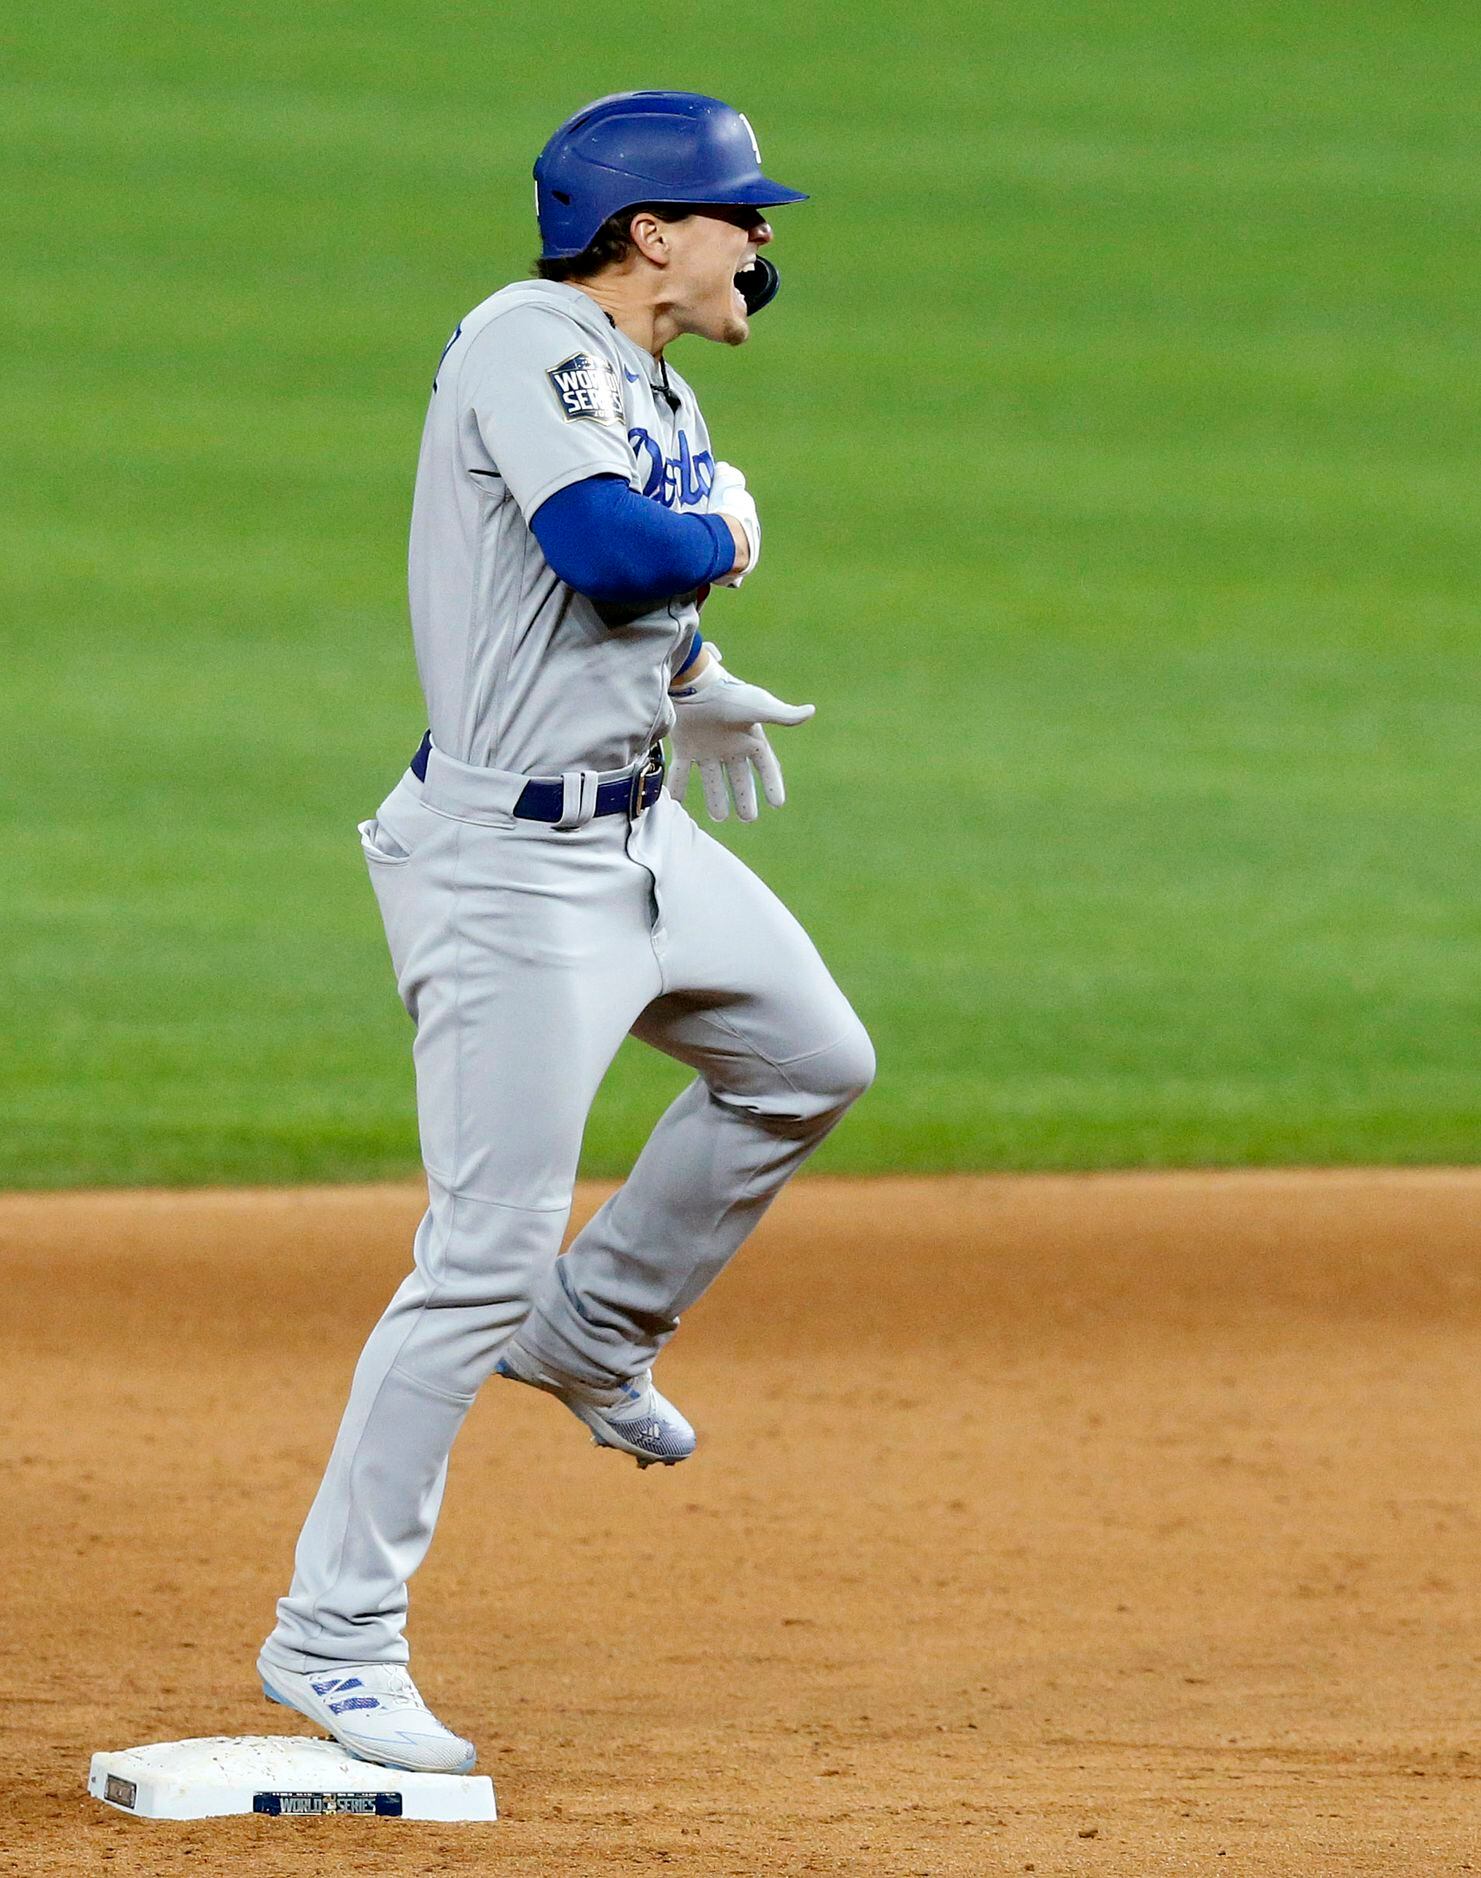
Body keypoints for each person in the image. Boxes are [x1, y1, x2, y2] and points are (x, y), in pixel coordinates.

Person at [256, 90, 874, 1776]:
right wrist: (731, 538)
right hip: (509, 875)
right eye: (739, 213)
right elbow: (604, 551)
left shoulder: (647, 374)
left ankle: (594, 1327)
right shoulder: (527, 339)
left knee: (807, 1060)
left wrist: (691, 681)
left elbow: (603, 611)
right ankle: (331, 1636)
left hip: (633, 831)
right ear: (644, 233)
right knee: (472, 1256)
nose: (765, 239)